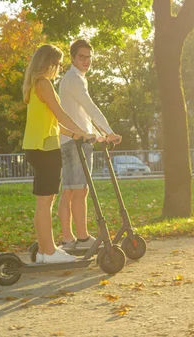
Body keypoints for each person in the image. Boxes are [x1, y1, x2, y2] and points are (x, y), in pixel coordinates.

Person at [22, 44, 96, 264]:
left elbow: (52, 121)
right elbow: (60, 113)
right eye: (58, 63)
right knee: (45, 204)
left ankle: (46, 251)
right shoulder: (44, 84)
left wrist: (75, 135)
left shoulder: (35, 86)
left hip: (37, 146)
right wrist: (82, 131)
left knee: (44, 203)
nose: (58, 68)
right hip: (45, 149)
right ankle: (51, 252)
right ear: (49, 63)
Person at [57, 39, 122, 250]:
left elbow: (81, 114)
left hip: (70, 140)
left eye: (89, 57)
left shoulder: (72, 79)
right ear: (73, 58)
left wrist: (98, 135)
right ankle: (83, 239)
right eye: (82, 57)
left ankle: (68, 239)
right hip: (76, 143)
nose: (86, 61)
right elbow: (90, 108)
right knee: (80, 190)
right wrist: (109, 132)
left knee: (69, 190)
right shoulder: (75, 80)